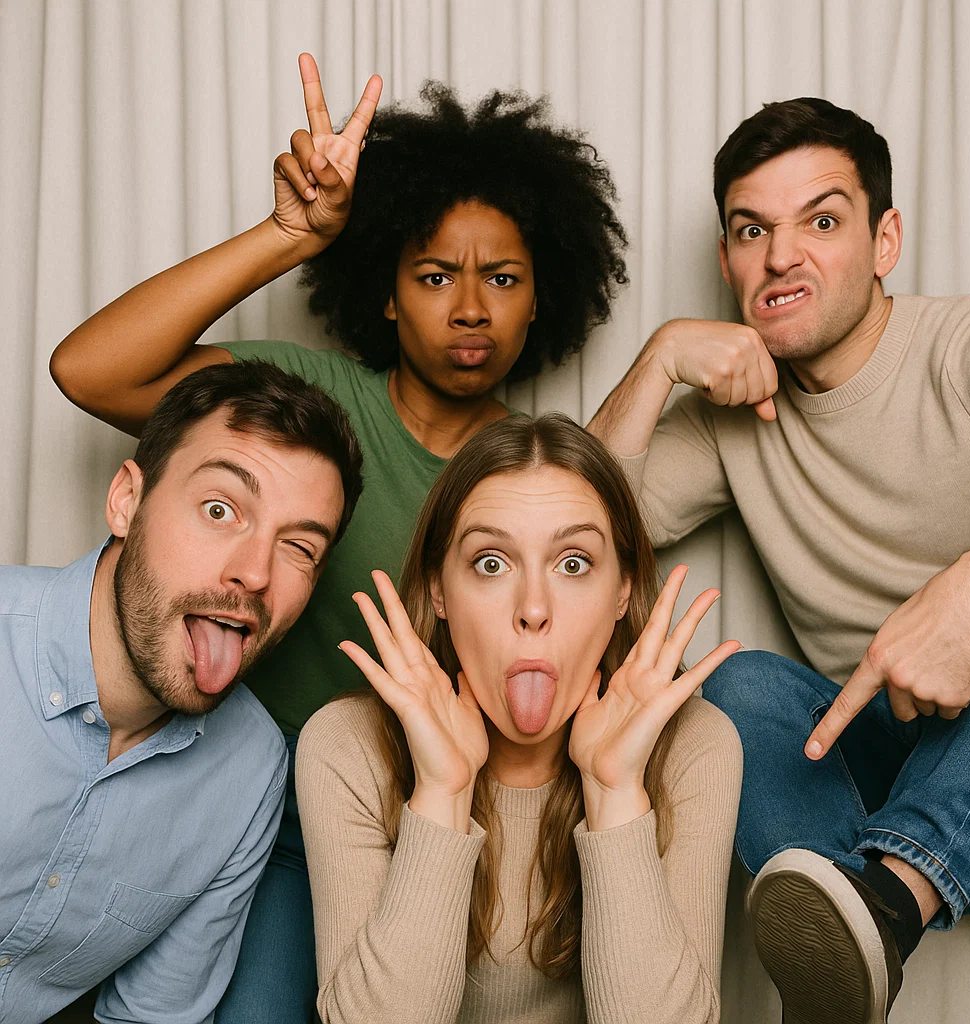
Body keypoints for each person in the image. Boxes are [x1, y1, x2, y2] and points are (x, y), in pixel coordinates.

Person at [48, 54, 628, 1021]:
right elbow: (92, 371)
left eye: (504, 278)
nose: (471, 307)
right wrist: (288, 235)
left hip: (431, 815)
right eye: (434, 276)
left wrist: (663, 361)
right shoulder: (309, 410)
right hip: (252, 800)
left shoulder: (531, 480)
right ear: (386, 292)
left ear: (543, 297)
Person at [588, 96, 970, 1024]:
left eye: (821, 222)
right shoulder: (731, 417)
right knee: (728, 688)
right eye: (754, 230)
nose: (781, 256)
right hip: (888, 785)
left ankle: (890, 901)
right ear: (727, 261)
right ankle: (853, 951)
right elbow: (569, 536)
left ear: (884, 240)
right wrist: (660, 359)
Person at [296, 413, 742, 1023]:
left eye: (573, 563)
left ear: (622, 590)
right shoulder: (347, 747)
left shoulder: (695, 746)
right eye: (491, 563)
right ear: (438, 590)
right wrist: (442, 792)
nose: (533, 608)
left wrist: (615, 793)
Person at [1, 360, 362, 1024]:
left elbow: (152, 1016)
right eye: (220, 510)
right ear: (126, 502)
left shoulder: (251, 771)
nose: (255, 573)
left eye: (299, 547)